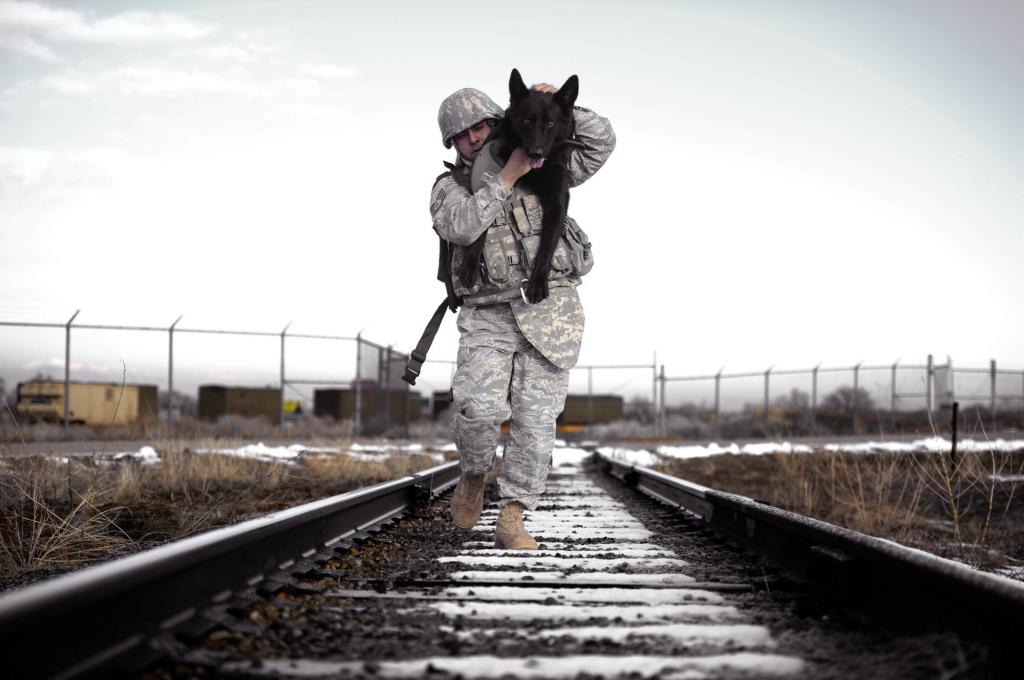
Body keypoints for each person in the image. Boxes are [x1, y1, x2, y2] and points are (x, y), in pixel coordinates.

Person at [430, 82, 615, 549]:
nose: (474, 137)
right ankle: (473, 475)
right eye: (462, 134)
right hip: (487, 314)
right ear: (452, 143)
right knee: (477, 410)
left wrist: (557, 103)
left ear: (500, 121)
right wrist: (505, 177)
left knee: (535, 424)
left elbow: (602, 139)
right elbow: (461, 225)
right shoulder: (448, 187)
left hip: (549, 312)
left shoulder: (552, 160)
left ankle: (513, 516)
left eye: (482, 126)